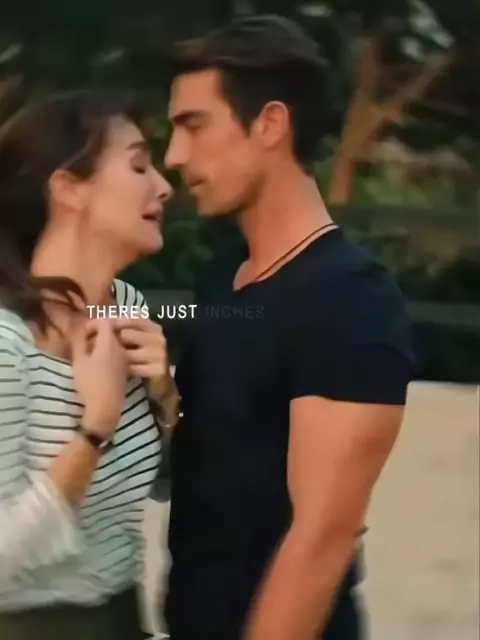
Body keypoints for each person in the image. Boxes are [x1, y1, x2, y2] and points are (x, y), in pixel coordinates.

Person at [163, 14, 415, 640]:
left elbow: (323, 535)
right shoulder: (222, 280)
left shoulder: (349, 296)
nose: (174, 156)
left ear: (270, 124)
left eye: (194, 125)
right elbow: (216, 455)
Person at [0, 90, 181, 640]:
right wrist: (96, 425)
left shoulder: (127, 307)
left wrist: (166, 398)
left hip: (125, 617)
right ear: (69, 189)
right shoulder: (6, 343)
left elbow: (160, 486)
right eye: (138, 165)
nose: (164, 186)